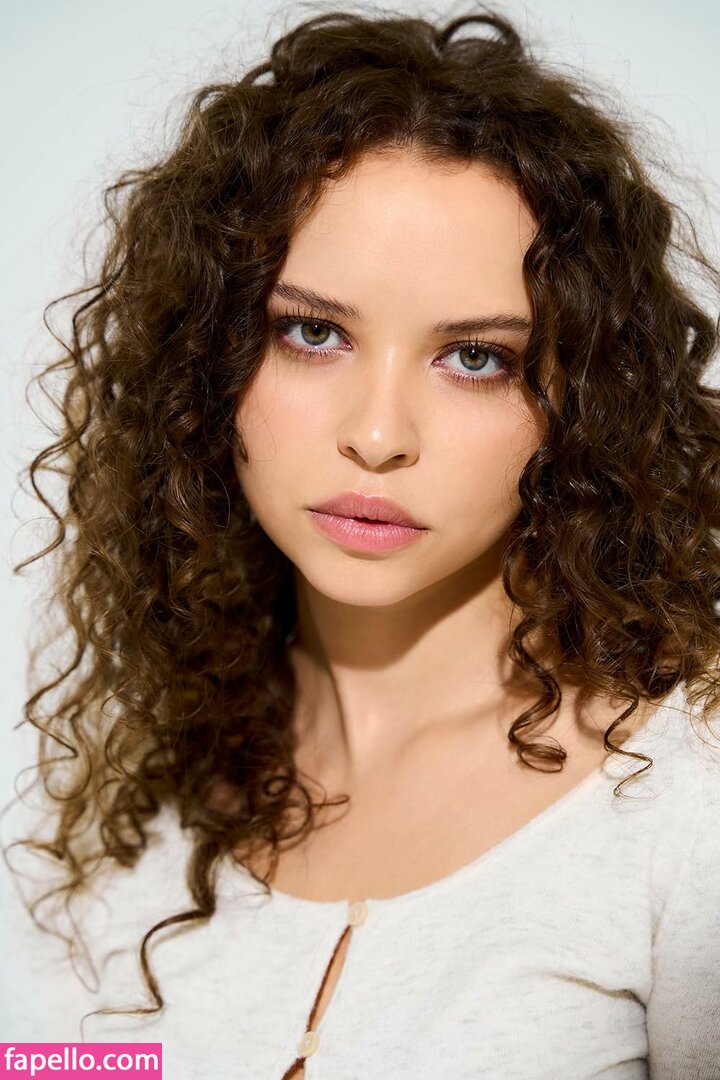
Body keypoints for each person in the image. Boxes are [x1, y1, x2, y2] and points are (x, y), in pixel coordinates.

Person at [2, 4, 720, 1078]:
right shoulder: (114, 821)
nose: (379, 437)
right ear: (205, 364)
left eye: (476, 358)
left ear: (584, 401)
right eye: (313, 333)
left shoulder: (691, 804)